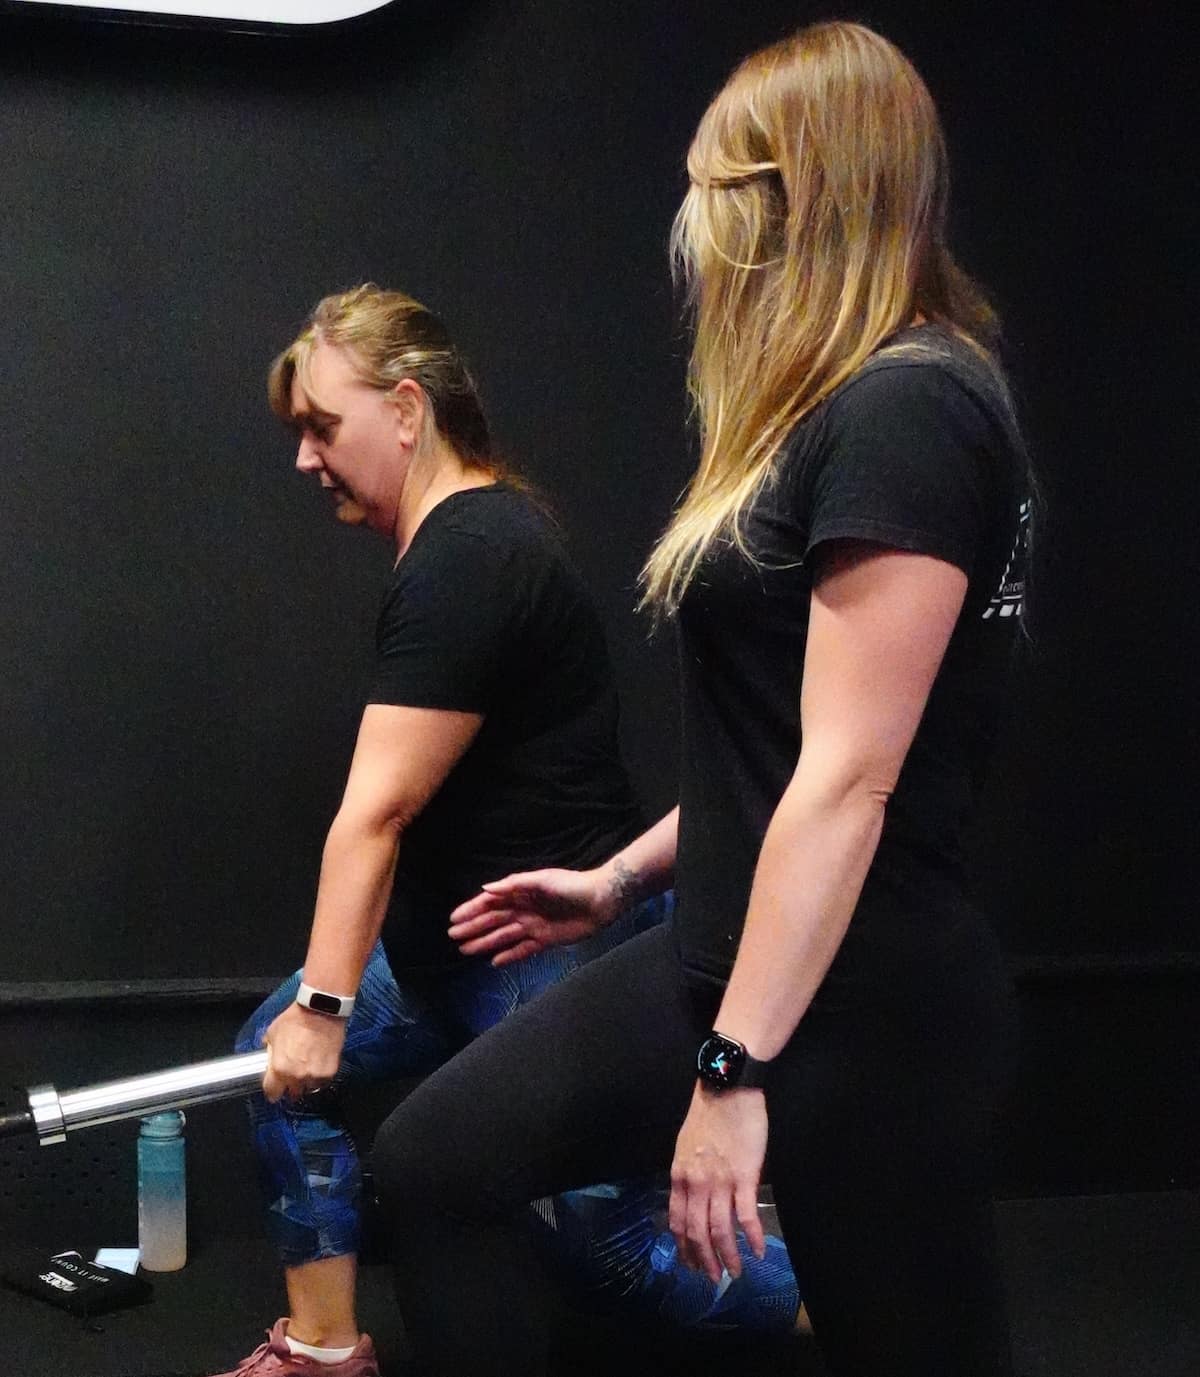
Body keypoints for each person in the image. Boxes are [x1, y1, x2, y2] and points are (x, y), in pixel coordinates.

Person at [372, 19, 1033, 1377]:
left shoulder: (909, 411)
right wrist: (618, 880)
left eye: (713, 188)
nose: (691, 230)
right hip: (734, 956)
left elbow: (849, 779)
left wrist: (731, 1075)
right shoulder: (839, 407)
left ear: (800, 194)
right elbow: (778, 752)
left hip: (863, 999)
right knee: (435, 1162)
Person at [213, 285, 674, 1377]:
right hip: (449, 947)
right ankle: (326, 1350)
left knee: (618, 1258)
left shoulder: (473, 554)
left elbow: (376, 810)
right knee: (269, 1069)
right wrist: (308, 1021)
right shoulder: (452, 546)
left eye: (324, 427)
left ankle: (848, 1298)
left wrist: (324, 1008)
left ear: (408, 408)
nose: (306, 458)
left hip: (553, 950)